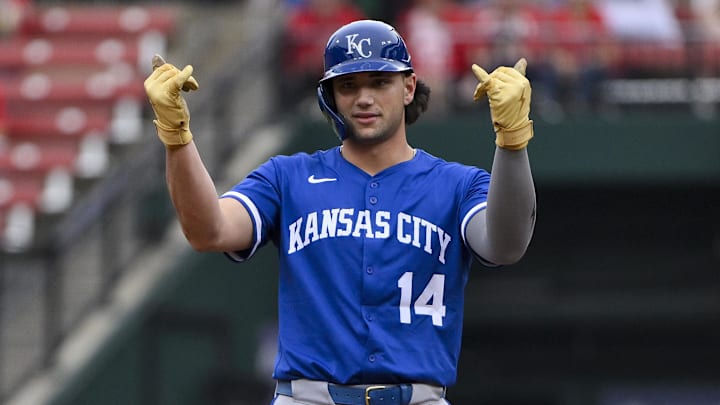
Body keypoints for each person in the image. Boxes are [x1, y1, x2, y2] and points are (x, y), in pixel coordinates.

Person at [145, 19, 536, 405]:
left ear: (408, 87)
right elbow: (208, 231)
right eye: (348, 84)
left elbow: (505, 245)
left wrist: (512, 142)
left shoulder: (457, 183)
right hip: (308, 397)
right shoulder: (288, 176)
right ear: (330, 95)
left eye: (379, 81)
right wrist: (177, 138)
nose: (364, 97)